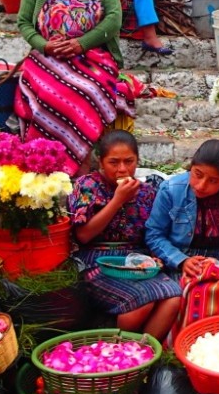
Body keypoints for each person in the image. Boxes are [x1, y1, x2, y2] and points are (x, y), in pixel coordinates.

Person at [15, 0, 132, 176]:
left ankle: (81, 168)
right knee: (44, 93)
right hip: (46, 59)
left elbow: (113, 19)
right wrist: (43, 44)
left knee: (87, 90)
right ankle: (43, 166)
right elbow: (24, 22)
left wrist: (82, 43)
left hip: (92, 58)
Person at [69, 131, 182, 341]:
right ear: (101, 162)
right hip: (96, 261)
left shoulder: (147, 191)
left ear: (137, 161)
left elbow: (155, 233)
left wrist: (154, 257)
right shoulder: (87, 185)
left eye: (129, 161)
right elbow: (83, 236)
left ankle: (142, 356)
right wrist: (117, 200)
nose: (122, 169)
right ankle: (121, 356)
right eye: (114, 162)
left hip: (136, 262)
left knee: (174, 296)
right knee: (142, 301)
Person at [145, 140, 219, 339]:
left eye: (213, 181)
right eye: (197, 174)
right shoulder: (171, 190)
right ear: (191, 167)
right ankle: (182, 351)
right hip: (186, 258)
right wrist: (181, 260)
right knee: (193, 292)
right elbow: (154, 234)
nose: (201, 185)